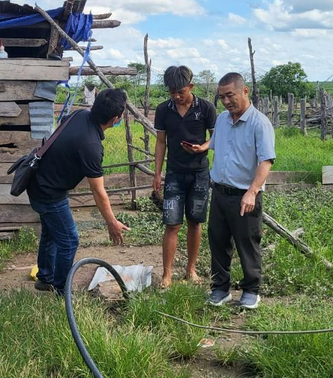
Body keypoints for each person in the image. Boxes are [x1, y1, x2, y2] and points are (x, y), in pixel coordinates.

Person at [27, 88, 131, 295]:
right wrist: (112, 222)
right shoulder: (91, 145)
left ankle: (45, 278)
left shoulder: (80, 114)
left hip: (38, 183)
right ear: (116, 118)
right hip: (49, 193)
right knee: (69, 240)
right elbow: (98, 191)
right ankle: (61, 290)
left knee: (51, 232)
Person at [186, 72, 275, 309]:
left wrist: (252, 192)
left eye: (230, 95)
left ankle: (251, 291)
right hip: (219, 193)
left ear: (244, 91)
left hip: (244, 195)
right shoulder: (223, 120)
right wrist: (201, 147)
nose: (226, 101)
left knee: (247, 243)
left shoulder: (260, 124)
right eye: (222, 96)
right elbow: (214, 143)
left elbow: (266, 161)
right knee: (218, 242)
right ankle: (220, 289)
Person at [153, 66, 216, 288]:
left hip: (200, 173)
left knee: (195, 222)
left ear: (191, 86)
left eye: (181, 91)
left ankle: (191, 269)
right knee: (171, 224)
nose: (177, 96)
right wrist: (157, 173)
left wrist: (203, 148)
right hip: (174, 174)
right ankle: (167, 274)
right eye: (172, 93)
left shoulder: (206, 108)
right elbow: (161, 142)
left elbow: (214, 138)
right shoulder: (163, 110)